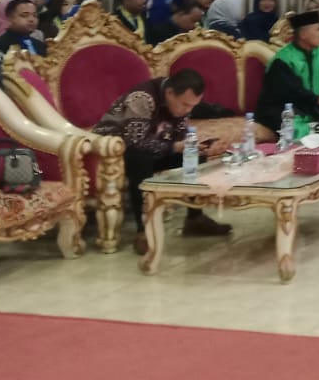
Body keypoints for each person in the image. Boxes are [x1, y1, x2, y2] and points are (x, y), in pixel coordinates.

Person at [92, 69, 233, 256]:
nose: (188, 110)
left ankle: (195, 218)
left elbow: (178, 135)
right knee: (140, 159)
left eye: (192, 106)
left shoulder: (178, 102)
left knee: (194, 155)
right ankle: (143, 230)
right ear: (169, 93)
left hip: (154, 147)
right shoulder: (142, 98)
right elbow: (136, 142)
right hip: (113, 151)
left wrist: (201, 145)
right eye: (185, 104)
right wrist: (176, 146)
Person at [257, 11, 319, 137]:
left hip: (310, 106)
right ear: (303, 35)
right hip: (283, 109)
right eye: (318, 29)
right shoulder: (283, 60)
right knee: (302, 130)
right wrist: (318, 100)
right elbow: (291, 91)